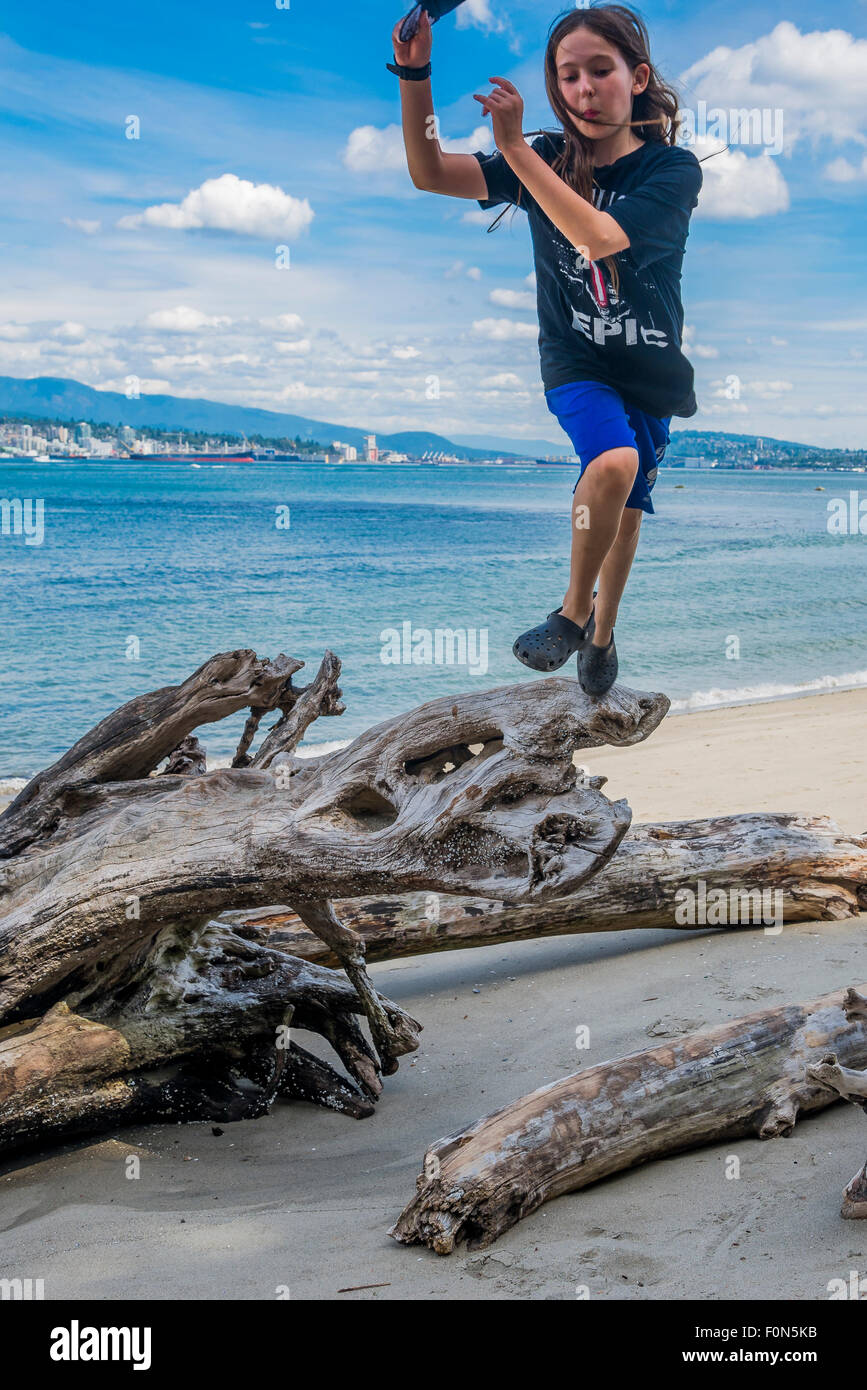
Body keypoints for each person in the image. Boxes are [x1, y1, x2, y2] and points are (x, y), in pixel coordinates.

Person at [389, 2, 702, 695]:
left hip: (648, 369)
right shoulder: (545, 157)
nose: (584, 89)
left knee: (626, 511)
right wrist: (415, 76)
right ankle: (569, 613)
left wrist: (519, 151)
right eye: (568, 76)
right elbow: (428, 172)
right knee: (612, 460)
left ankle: (602, 627)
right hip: (575, 361)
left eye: (600, 70)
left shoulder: (671, 171)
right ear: (555, 87)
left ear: (637, 76)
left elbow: (597, 237)